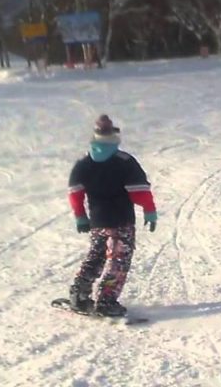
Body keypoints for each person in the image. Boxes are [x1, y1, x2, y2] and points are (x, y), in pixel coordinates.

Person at [66, 114, 157, 317]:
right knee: (118, 260)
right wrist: (149, 210)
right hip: (121, 220)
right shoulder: (124, 162)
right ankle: (106, 300)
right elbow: (139, 191)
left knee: (96, 255)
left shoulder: (83, 164)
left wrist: (81, 216)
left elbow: (75, 193)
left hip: (98, 221)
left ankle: (79, 293)